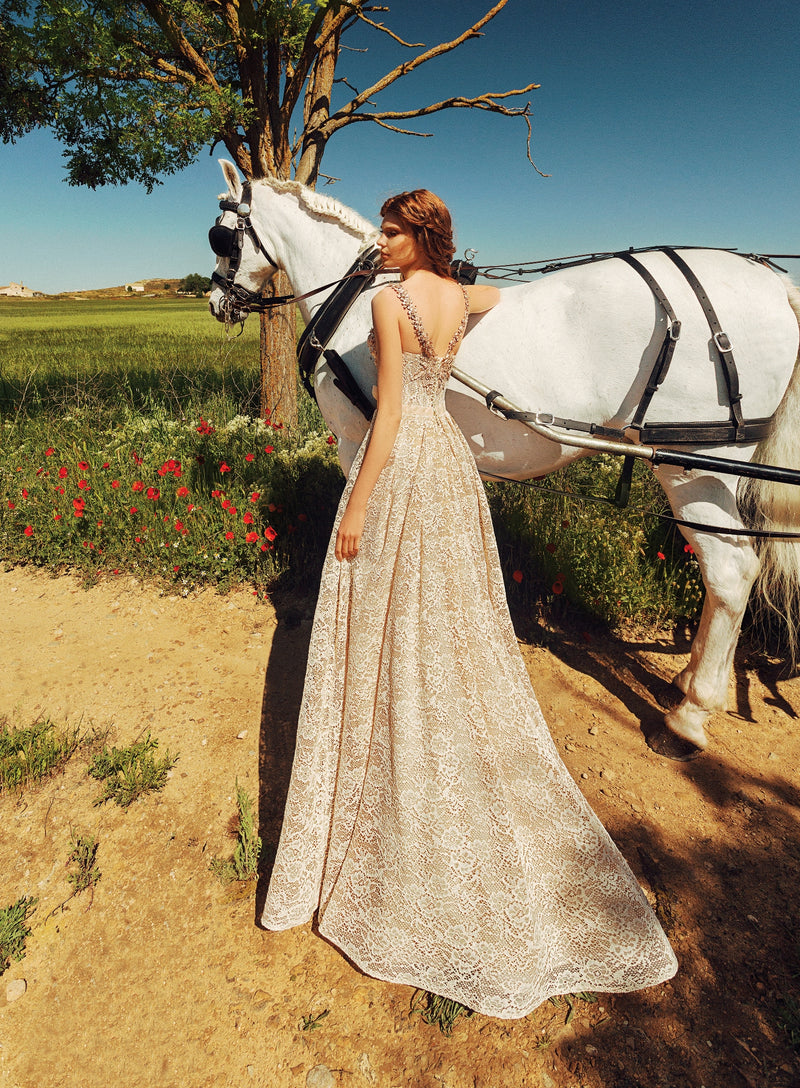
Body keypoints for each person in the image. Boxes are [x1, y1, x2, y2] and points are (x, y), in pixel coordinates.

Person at [260, 190, 677, 1019]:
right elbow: (486, 299)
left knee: (386, 597)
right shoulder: (461, 297)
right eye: (379, 229)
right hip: (453, 468)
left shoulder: (384, 302)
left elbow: (383, 423)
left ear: (418, 237)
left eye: (389, 230)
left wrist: (361, 505)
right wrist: (452, 277)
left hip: (409, 461)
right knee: (452, 612)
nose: (377, 242)